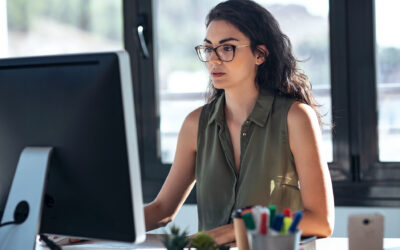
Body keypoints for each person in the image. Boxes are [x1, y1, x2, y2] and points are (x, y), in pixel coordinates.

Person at [144, 0, 334, 245]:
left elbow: (320, 221)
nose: (214, 59)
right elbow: (161, 209)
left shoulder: (296, 118)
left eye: (227, 48)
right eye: (209, 48)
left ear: (260, 54)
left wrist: (235, 230)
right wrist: (96, 229)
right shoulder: (195, 124)